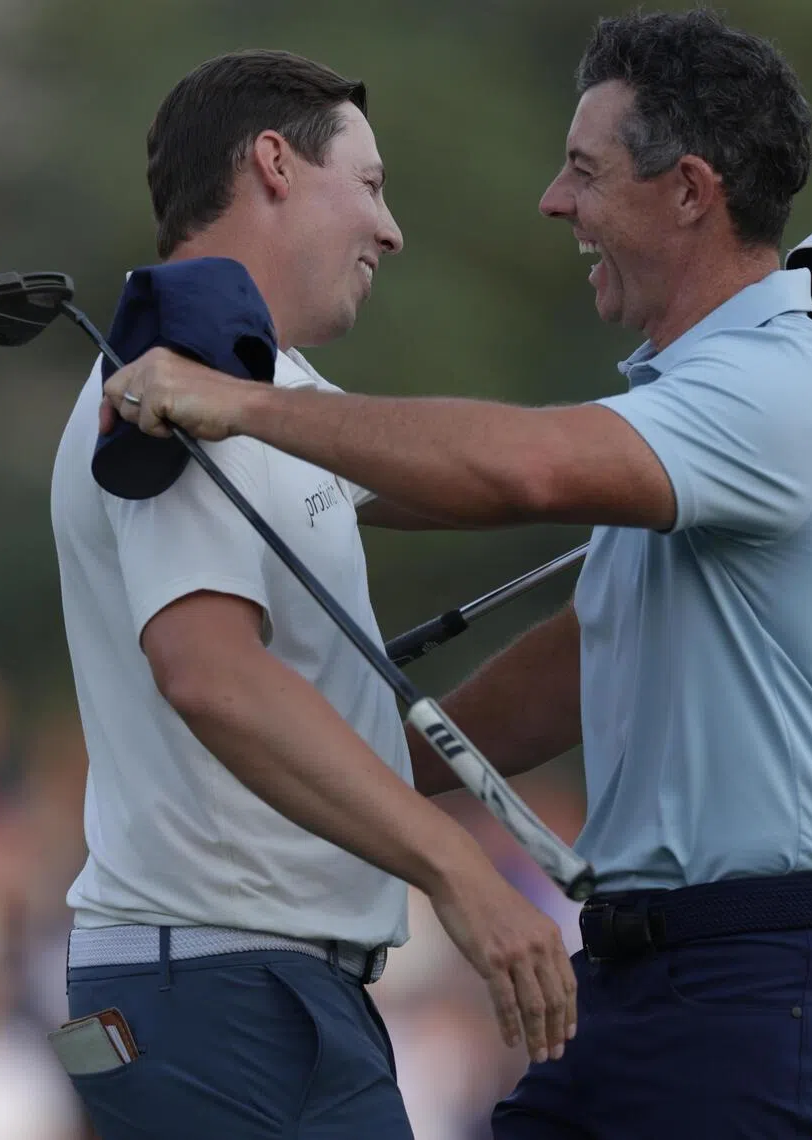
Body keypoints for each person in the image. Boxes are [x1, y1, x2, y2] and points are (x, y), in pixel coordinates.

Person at [101, 12, 812, 1138]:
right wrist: (358, 780)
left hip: (771, 993)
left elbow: (519, 468)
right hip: (655, 990)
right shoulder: (691, 404)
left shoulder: (790, 383)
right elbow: (577, 660)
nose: (553, 200)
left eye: (583, 170)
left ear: (688, 191)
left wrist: (241, 404)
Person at [51, 48, 575, 1140]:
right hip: (223, 996)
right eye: (372, 185)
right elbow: (209, 672)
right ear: (275, 164)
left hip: (252, 993)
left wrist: (669, 472)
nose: (391, 231)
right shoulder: (181, 357)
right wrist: (459, 871)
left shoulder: (264, 387)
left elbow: (450, 474)